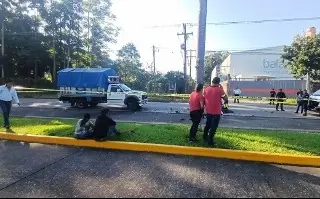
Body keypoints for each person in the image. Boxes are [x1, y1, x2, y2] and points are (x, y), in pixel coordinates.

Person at [203, 77, 228, 147]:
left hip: (208, 111)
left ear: (212, 82)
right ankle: (210, 141)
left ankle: (205, 137)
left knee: (208, 125)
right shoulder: (220, 90)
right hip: (216, 112)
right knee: (213, 127)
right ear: (218, 83)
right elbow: (226, 98)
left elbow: (203, 99)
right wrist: (222, 89)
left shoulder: (206, 89)